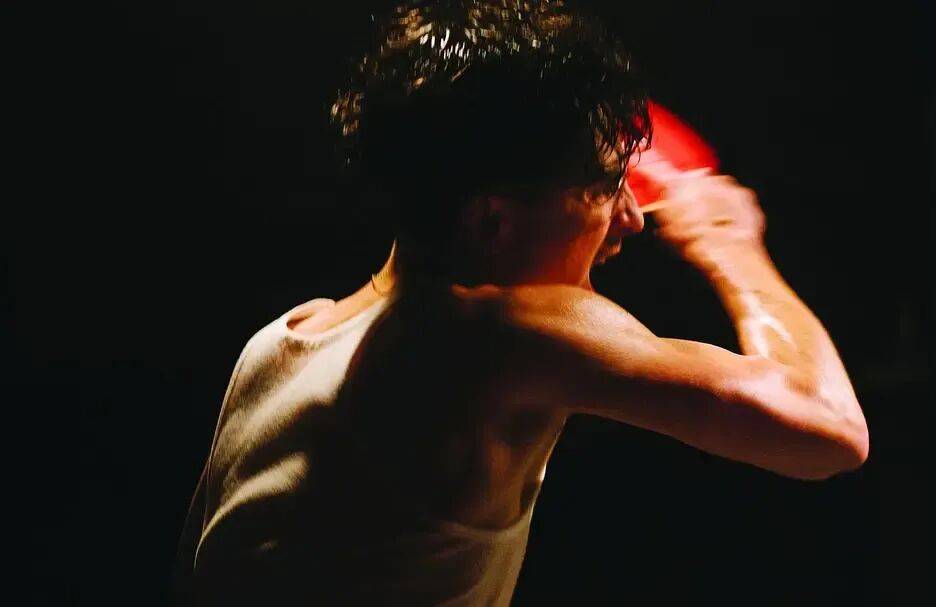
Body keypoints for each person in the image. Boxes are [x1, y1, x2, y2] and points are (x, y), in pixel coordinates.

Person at [171, 1, 869, 605]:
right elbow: (827, 428)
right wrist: (730, 246)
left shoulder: (277, 345)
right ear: (492, 221)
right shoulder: (492, 339)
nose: (631, 218)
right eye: (603, 188)